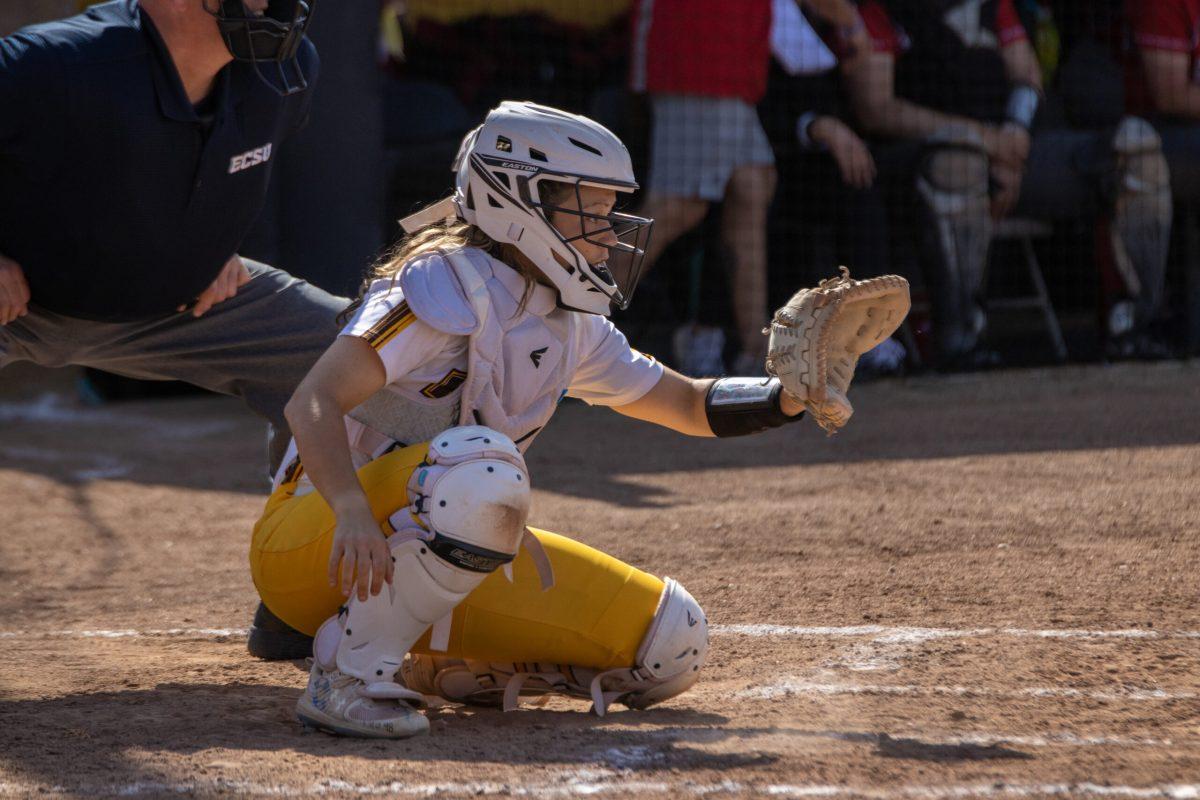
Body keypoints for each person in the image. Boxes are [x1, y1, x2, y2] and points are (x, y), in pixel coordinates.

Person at [247, 102, 900, 739]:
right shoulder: (441, 283)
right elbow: (312, 400)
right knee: (480, 469)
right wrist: (354, 513)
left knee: (669, 644)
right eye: (589, 211)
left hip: (417, 551)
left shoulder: (573, 323)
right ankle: (345, 678)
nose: (610, 231)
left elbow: (686, 403)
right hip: (319, 541)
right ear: (519, 202)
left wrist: (786, 395)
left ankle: (428, 660)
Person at [0, 0, 346, 473]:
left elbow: (212, 162)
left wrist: (207, 243)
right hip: (21, 308)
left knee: (365, 358)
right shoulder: (48, 63)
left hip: (181, 308)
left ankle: (317, 534)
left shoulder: (288, 69)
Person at [840, 0, 1173, 365]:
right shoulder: (880, 9)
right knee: (959, 162)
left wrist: (1014, 134)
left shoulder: (990, 5)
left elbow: (1028, 77)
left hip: (1017, 152)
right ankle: (962, 340)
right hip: (923, 160)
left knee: (1135, 146)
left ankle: (1133, 328)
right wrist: (984, 141)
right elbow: (875, 107)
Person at [628, 0, 864, 376]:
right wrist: (851, 23)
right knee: (678, 205)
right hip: (697, 52)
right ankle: (565, 323)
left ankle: (756, 353)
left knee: (752, 185)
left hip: (731, 58)